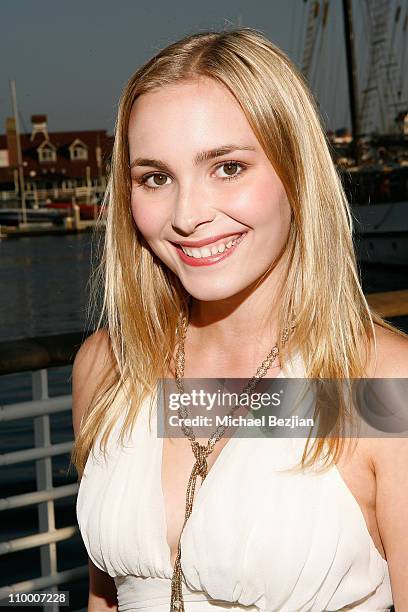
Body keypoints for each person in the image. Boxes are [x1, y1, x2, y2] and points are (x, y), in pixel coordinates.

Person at [71, 28, 408, 612]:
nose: (187, 214)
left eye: (227, 167)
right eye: (156, 177)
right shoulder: (107, 368)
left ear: (296, 173)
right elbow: (105, 596)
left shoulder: (376, 385)